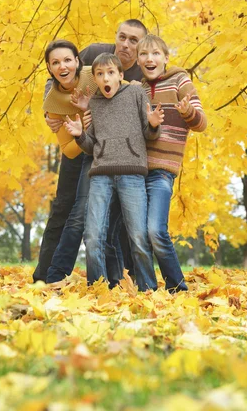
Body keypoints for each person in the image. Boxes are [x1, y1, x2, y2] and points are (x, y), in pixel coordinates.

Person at [33, 19, 147, 283]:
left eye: (134, 41)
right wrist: (51, 111)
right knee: (65, 208)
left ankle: (124, 279)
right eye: (122, 37)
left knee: (117, 219)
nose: (125, 45)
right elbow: (61, 74)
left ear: (142, 47)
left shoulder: (144, 69)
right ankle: (45, 277)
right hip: (78, 143)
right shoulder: (95, 53)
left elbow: (165, 75)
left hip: (117, 154)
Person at [64, 52, 164, 291]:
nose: (105, 78)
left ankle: (148, 289)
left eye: (110, 72)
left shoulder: (136, 93)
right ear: (96, 79)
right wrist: (80, 136)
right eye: (100, 74)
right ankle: (97, 288)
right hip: (100, 175)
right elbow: (91, 147)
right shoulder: (95, 104)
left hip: (132, 174)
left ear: (120, 75)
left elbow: (150, 135)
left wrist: (152, 124)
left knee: (138, 236)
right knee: (92, 236)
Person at [137, 34, 207, 292]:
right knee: (139, 235)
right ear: (138, 60)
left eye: (155, 53)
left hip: (162, 171)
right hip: (135, 171)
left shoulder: (180, 81)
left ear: (166, 58)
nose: (149, 58)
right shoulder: (138, 89)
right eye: (143, 54)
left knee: (156, 230)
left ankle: (178, 287)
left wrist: (188, 111)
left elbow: (201, 124)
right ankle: (147, 289)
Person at [42, 39, 96, 283]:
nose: (62, 66)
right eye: (55, 62)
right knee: (66, 210)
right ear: (49, 68)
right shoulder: (52, 102)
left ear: (77, 60)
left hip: (111, 151)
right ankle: (46, 277)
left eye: (67, 60)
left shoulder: (94, 75)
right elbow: (68, 150)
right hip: (81, 154)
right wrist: (82, 133)